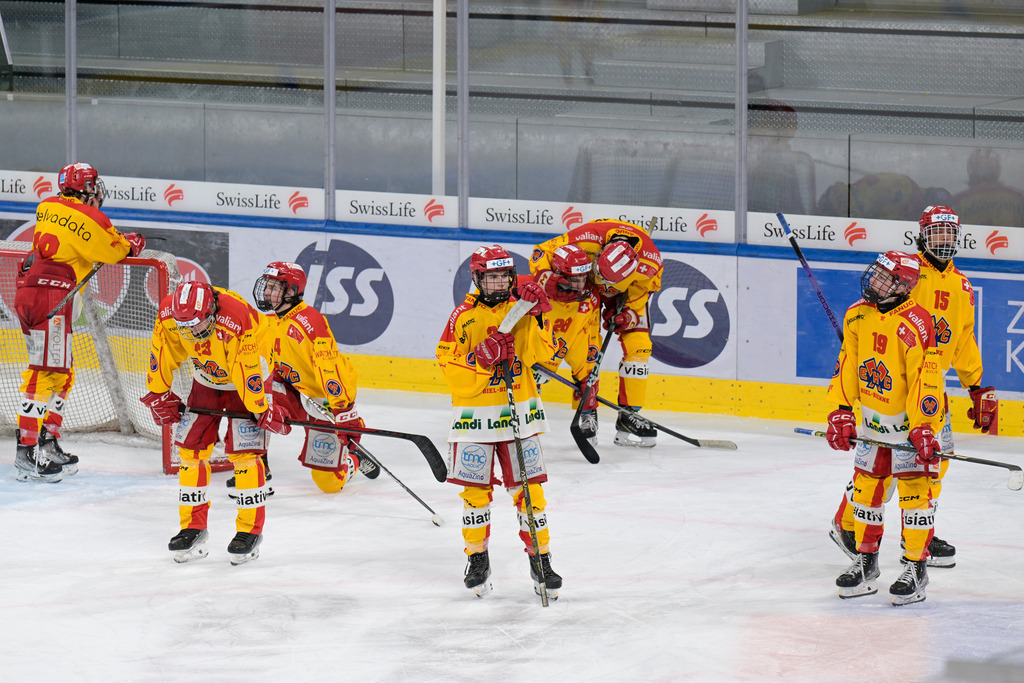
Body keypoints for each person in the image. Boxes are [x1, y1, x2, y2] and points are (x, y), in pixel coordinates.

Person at [829, 206, 995, 570]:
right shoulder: (905, 272)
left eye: (950, 234)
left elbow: (964, 339)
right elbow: (878, 311)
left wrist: (977, 385)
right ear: (922, 234)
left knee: (933, 463)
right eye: (937, 233)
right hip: (895, 389)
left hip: (931, 387)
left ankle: (917, 533)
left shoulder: (961, 285)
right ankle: (848, 524)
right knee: (881, 468)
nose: (944, 240)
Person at [437, 245, 560, 598]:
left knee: (530, 493)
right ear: (477, 278)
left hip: (520, 415)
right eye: (490, 277)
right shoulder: (462, 316)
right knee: (475, 496)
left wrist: (540, 317)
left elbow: (547, 356)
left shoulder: (523, 311)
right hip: (474, 419)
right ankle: (477, 559)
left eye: (504, 277)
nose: (497, 283)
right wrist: (480, 359)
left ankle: (542, 560)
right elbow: (446, 364)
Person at [13, 162, 145, 483]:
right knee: (44, 373)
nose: (97, 193)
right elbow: (114, 250)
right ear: (86, 188)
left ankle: (47, 440)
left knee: (62, 373)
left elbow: (76, 237)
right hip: (50, 299)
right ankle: (26, 451)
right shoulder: (92, 217)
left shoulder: (47, 205)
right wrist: (132, 243)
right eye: (93, 186)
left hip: (33, 293)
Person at [825, 250, 944, 606]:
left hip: (909, 432)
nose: (873, 280)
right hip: (874, 428)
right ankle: (866, 562)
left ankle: (915, 567)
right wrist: (841, 411)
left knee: (915, 500)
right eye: (875, 273)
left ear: (902, 285)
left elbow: (928, 381)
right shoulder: (857, 314)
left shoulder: (917, 324)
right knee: (865, 497)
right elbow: (847, 364)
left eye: (883, 277)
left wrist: (924, 427)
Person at [141, 280, 288, 565]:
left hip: (246, 377)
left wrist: (259, 406)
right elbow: (162, 351)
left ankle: (249, 532)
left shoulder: (235, 316)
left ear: (211, 310)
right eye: (186, 327)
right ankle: (192, 528)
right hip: (206, 377)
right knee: (190, 452)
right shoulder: (170, 314)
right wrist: (158, 392)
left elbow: (246, 367)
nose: (193, 332)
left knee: (244, 455)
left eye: (197, 324)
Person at [531, 218, 663, 447]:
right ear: (600, 252)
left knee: (639, 347)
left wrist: (628, 315)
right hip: (580, 285)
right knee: (566, 346)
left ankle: (629, 415)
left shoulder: (650, 265)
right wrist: (547, 278)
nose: (601, 282)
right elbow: (540, 252)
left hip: (620, 296)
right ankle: (581, 411)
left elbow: (642, 293)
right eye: (600, 274)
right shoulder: (588, 237)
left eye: (606, 280)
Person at [251, 261, 377, 494]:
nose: (266, 292)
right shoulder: (269, 321)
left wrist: (343, 412)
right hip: (292, 392)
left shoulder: (309, 322)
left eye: (273, 287)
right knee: (252, 399)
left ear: (290, 291)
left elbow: (330, 370)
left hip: (323, 402)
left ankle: (353, 459)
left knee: (327, 484)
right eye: (266, 285)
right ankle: (257, 465)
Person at [526, 244, 602, 444]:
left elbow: (593, 332)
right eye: (574, 279)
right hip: (547, 340)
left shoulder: (590, 297)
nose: (580, 285)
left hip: (576, 332)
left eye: (583, 278)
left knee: (589, 367)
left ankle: (588, 413)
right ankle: (528, 412)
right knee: (534, 372)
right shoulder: (538, 290)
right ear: (559, 275)